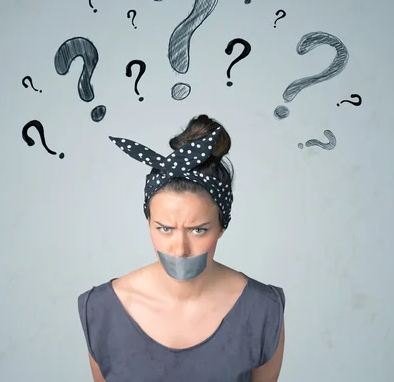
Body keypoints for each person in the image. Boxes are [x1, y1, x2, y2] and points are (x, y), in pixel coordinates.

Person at [77, 115, 286, 382]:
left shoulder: (262, 309)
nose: (180, 249)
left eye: (198, 230)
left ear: (222, 226)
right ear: (148, 222)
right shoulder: (100, 308)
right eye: (164, 228)